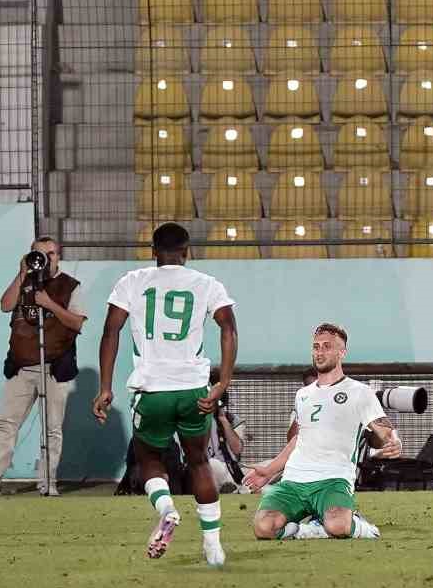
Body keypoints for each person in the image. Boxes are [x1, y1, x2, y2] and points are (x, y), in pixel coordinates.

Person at [93, 222, 237, 568]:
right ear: (187, 252)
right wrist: (222, 384)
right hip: (193, 389)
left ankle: (167, 508)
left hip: (152, 389)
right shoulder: (206, 284)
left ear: (153, 251)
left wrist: (106, 387)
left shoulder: (132, 281)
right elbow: (228, 328)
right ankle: (213, 547)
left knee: (149, 459)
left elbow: (110, 331)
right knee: (199, 461)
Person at [242, 323, 397, 541]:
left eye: (327, 346)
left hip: (333, 479)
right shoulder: (302, 395)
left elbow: (385, 430)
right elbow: (299, 439)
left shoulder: (360, 392)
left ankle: (361, 526)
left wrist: (393, 441)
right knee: (263, 527)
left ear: (342, 352)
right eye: (316, 347)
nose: (320, 352)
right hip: (294, 480)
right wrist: (269, 471)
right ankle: (308, 530)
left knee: (338, 526)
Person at [0, 237, 87, 497]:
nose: (46, 259)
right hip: (22, 366)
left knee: (52, 429)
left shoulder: (70, 286)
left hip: (55, 366)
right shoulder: (24, 281)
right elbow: (5, 305)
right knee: (7, 424)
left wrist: (49, 304)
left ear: (58, 256)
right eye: (39, 254)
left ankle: (48, 481)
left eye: (51, 254)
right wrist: (21, 274)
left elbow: (77, 323)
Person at [204, 366, 247, 494]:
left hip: (231, 468)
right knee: (212, 464)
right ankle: (235, 490)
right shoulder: (194, 420)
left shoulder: (233, 419)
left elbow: (237, 449)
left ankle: (237, 489)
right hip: (207, 468)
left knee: (271, 464)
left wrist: (222, 419)